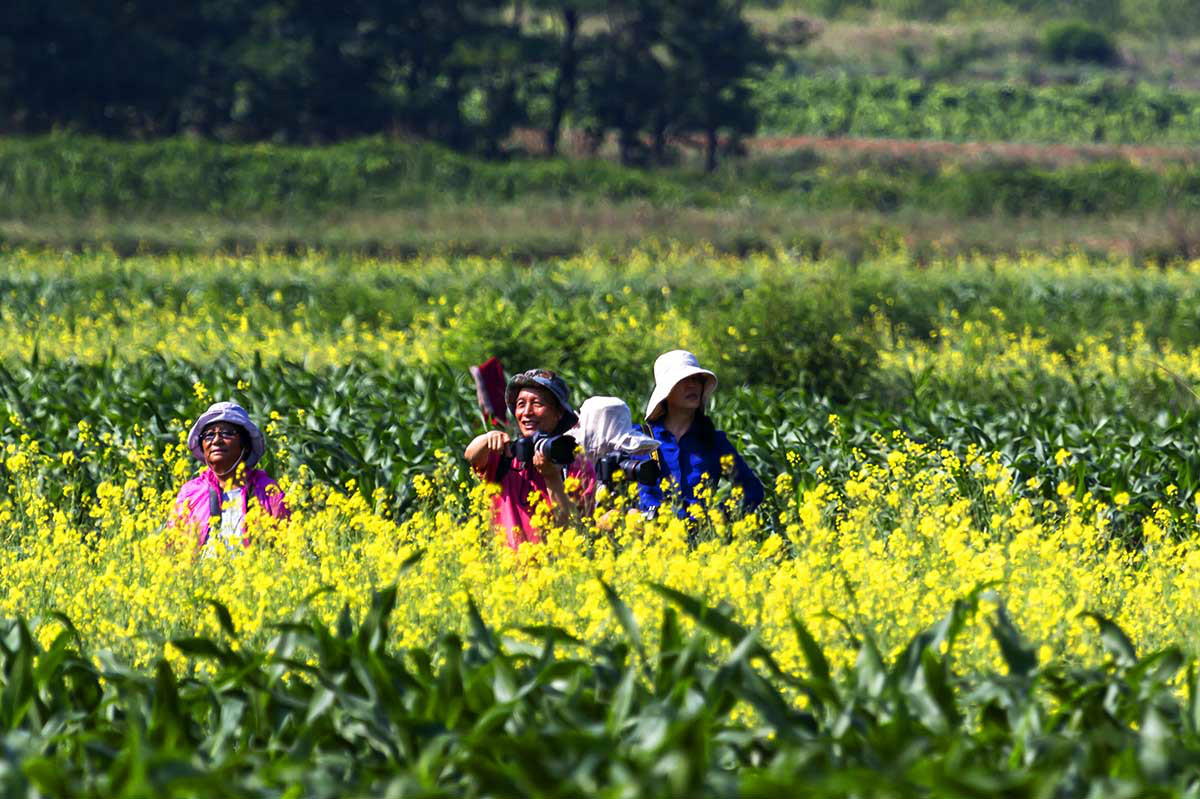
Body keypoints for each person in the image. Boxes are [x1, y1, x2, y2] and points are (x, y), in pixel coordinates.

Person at [464, 369, 596, 550]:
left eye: (537, 403)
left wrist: (552, 477)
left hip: (557, 572)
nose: (527, 412)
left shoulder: (575, 463)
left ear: (558, 413)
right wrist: (488, 438)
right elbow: (471, 455)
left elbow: (575, 529)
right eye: (520, 404)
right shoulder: (505, 455)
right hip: (509, 573)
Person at [635, 350, 763, 517]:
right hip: (648, 539)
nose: (693, 385)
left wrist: (720, 517)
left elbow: (752, 489)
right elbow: (610, 488)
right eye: (683, 380)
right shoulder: (638, 438)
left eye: (697, 380)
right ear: (666, 391)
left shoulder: (714, 441)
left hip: (699, 539)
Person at [173, 401, 289, 548]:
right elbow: (171, 549)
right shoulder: (191, 493)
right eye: (208, 435)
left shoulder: (267, 491)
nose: (216, 440)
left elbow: (288, 546)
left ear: (245, 445)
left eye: (226, 433)